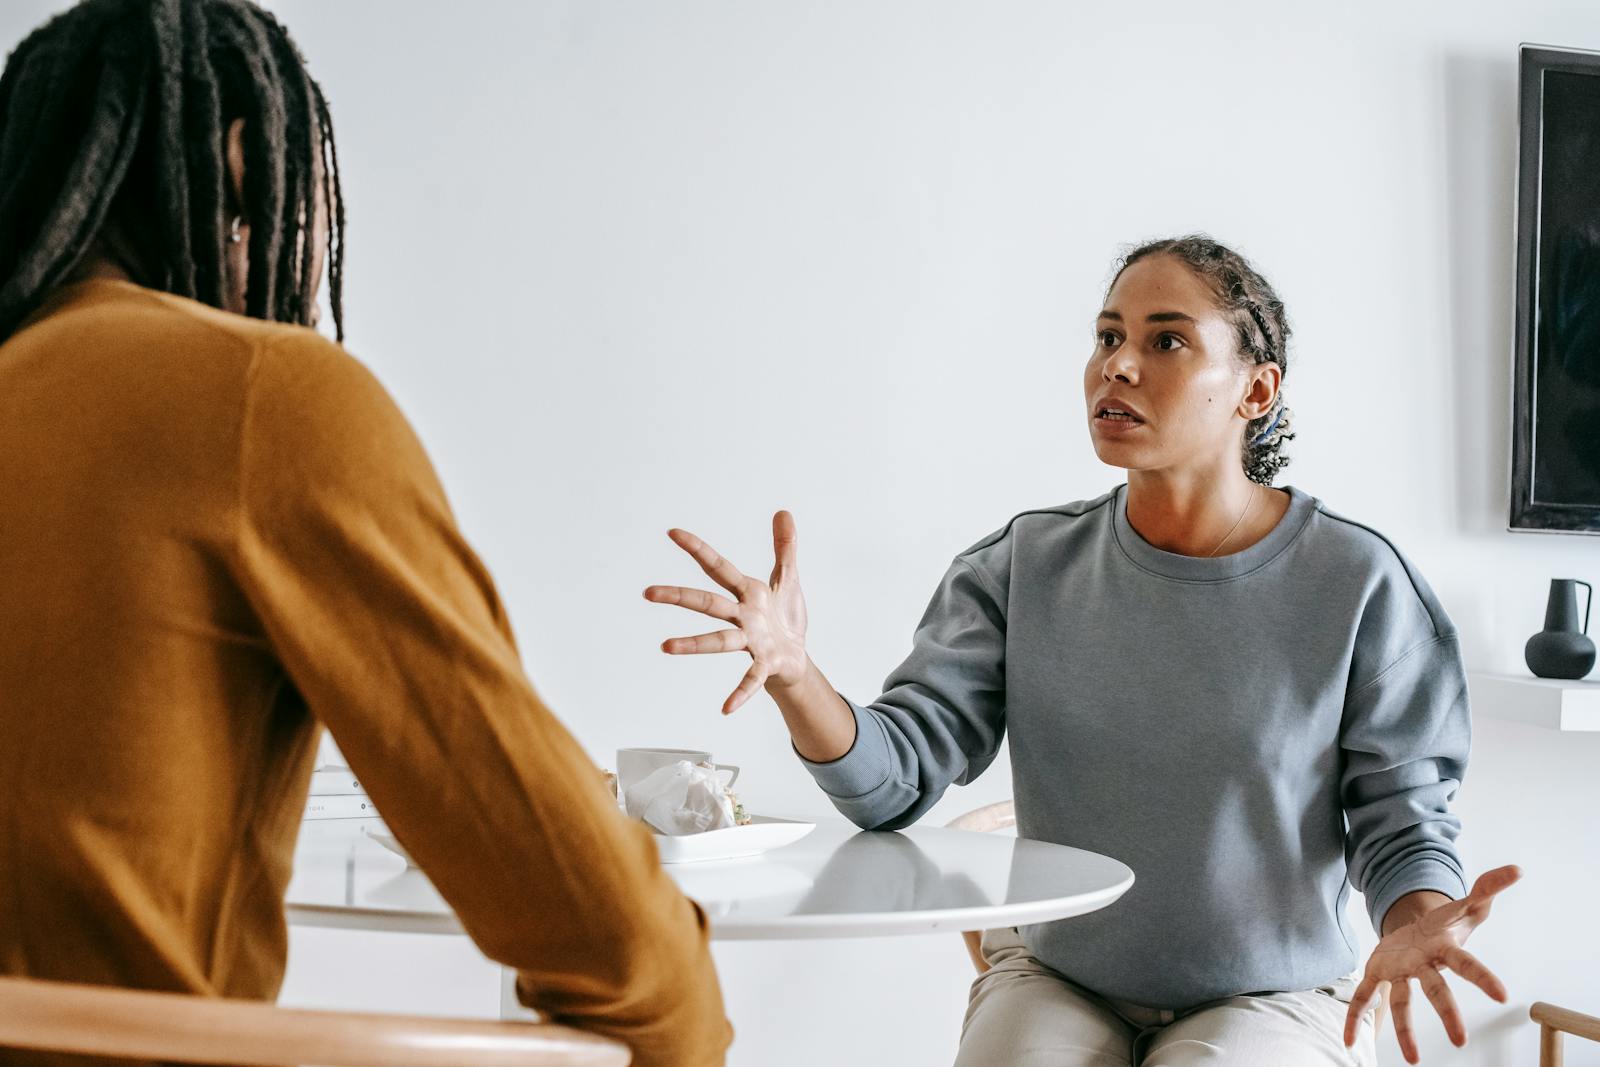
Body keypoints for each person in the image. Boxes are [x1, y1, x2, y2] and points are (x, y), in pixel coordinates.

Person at [0, 2, 730, 1065]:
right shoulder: (260, 400)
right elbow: (601, 924)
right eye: (310, 217)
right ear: (244, 170)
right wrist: (691, 1029)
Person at [646, 235, 1518, 1066]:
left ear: (1257, 390)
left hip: (1275, 992)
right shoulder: (1022, 566)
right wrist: (799, 675)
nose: (1119, 365)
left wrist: (1415, 920)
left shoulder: (1359, 581)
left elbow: (1401, 817)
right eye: (1108, 336)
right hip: (1063, 976)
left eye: (1166, 340)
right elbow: (894, 783)